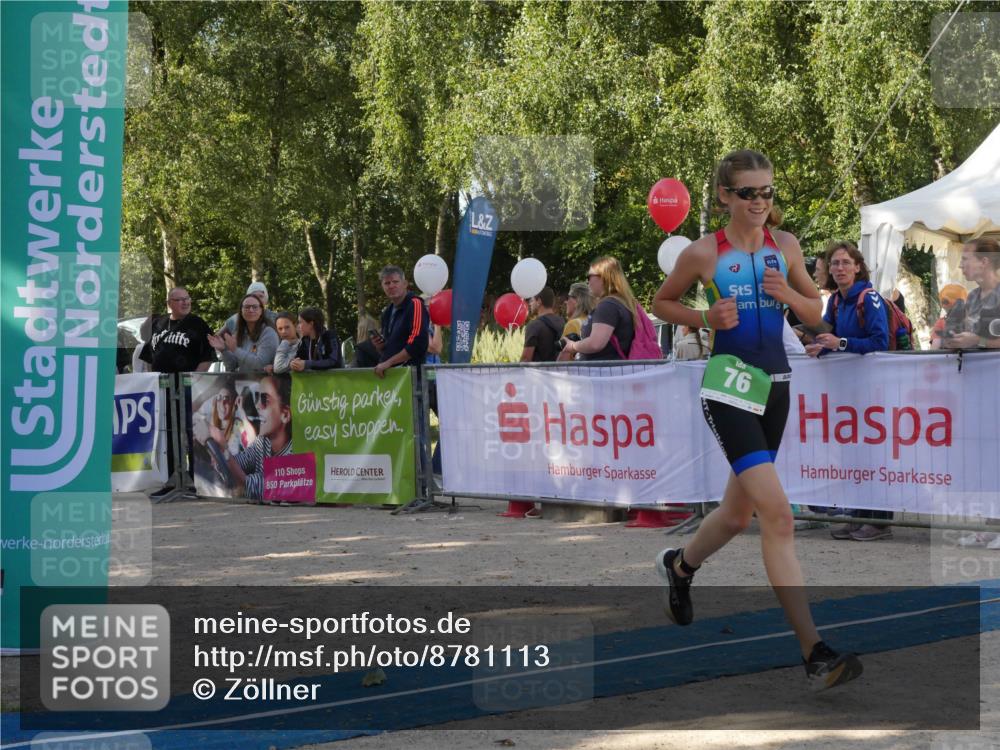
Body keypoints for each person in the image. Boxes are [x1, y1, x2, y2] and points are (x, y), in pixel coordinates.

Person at [652, 149, 862, 690]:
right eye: (749, 193)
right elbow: (660, 302)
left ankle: (680, 565)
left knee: (736, 513)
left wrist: (786, 293)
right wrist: (704, 316)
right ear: (725, 196)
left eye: (767, 192)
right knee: (779, 515)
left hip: (777, 387)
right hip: (728, 387)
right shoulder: (703, 253)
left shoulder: (784, 246)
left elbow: (816, 312)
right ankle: (814, 652)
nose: (760, 202)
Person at [210, 374, 292, 504]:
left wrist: (222, 448)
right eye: (258, 398)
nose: (258, 405)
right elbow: (238, 463)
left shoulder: (294, 453)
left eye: (265, 399)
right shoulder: (263, 441)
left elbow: (249, 486)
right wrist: (218, 451)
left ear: (285, 414)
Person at [805, 241, 889, 358]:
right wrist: (817, 347)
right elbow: (826, 338)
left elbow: (880, 343)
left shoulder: (870, 298)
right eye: (835, 263)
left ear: (857, 267)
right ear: (829, 269)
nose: (840, 268)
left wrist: (841, 343)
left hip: (873, 373)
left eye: (846, 262)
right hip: (845, 374)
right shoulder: (834, 300)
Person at [558, 256, 638, 361]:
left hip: (602, 373)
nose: (588, 282)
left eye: (589, 277)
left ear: (603, 277)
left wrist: (573, 346)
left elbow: (596, 343)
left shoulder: (608, 305)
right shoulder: (622, 302)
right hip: (611, 371)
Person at [943, 237, 1000, 350]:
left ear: (983, 262)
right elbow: (970, 334)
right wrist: (955, 339)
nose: (960, 265)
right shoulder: (972, 296)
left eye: (965, 259)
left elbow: (975, 339)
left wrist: (978, 341)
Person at [372, 265, 429, 378]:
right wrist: (380, 347)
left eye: (395, 281)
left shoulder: (415, 304)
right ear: (382, 287)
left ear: (405, 284)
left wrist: (388, 363)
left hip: (410, 379)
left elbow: (417, 344)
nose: (391, 286)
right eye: (387, 283)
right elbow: (390, 349)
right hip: (390, 378)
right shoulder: (387, 312)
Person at [209, 294, 279, 373]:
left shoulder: (268, 333)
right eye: (247, 307)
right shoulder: (239, 333)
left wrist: (235, 350)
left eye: (255, 307)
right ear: (241, 311)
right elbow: (232, 366)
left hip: (265, 383)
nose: (251, 310)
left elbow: (260, 364)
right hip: (244, 383)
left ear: (261, 311)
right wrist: (224, 350)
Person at [521, 287, 565, 362]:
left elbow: (526, 359)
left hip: (538, 372)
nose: (529, 303)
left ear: (539, 301)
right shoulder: (562, 321)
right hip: (558, 371)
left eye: (532, 300)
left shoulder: (534, 325)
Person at [291, 307, 343, 371]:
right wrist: (294, 364)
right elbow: (299, 358)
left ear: (311, 324)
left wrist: (307, 364)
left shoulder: (330, 336)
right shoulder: (305, 340)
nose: (298, 326)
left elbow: (333, 361)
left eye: (300, 322)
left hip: (335, 379)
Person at [930, 284, 969, 350]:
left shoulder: (976, 320)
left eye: (945, 302)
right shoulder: (941, 322)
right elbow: (934, 349)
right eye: (942, 302)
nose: (943, 306)